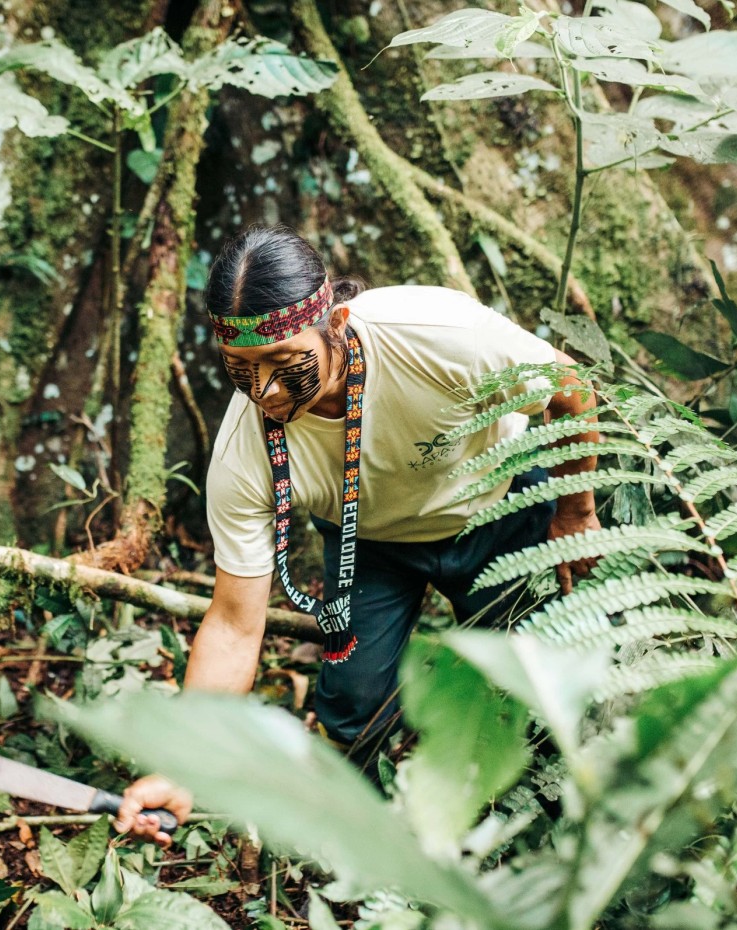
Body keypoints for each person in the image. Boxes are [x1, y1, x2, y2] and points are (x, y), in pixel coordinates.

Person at [116, 226, 601, 845]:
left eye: (284, 363)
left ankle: (542, 834)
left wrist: (574, 509)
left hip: (498, 510)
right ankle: (367, 844)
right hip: (368, 541)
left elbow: (571, 388)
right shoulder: (244, 453)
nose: (264, 391)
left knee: (530, 687)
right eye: (242, 370)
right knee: (350, 704)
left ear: (337, 323)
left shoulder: (436, 337)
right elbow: (236, 624)